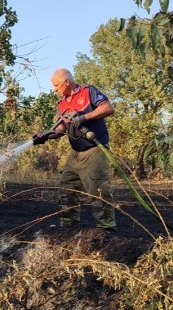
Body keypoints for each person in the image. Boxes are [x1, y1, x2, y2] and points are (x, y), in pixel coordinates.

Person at [32, 68, 116, 231]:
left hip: (95, 149)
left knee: (98, 188)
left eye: (56, 86)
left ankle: (107, 228)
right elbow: (60, 129)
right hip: (75, 152)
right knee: (66, 186)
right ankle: (68, 227)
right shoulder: (61, 103)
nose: (55, 89)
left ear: (66, 82)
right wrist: (45, 136)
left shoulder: (88, 91)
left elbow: (108, 108)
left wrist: (83, 117)